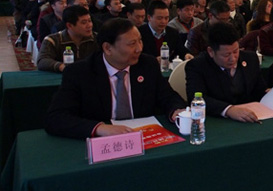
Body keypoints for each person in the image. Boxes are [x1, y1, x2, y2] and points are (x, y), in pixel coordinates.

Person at [45, 18, 187, 139]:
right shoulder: (80, 72)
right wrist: (99, 128)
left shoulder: (147, 65)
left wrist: (175, 111)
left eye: (140, 41)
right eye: (132, 44)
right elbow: (56, 117)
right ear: (108, 48)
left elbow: (168, 96)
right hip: (103, 142)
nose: (139, 48)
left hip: (143, 136)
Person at [185, 22, 266, 123]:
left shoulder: (250, 58)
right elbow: (196, 98)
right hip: (216, 121)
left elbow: (259, 90)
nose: (233, 58)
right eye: (226, 55)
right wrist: (228, 110)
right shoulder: (197, 66)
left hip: (249, 117)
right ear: (211, 52)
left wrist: (269, 93)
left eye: (236, 51)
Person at [37, 6, 98, 72]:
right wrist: (62, 67)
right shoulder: (53, 40)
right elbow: (42, 61)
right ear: (69, 25)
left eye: (90, 21)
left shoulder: (97, 38)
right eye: (84, 22)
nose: (89, 25)